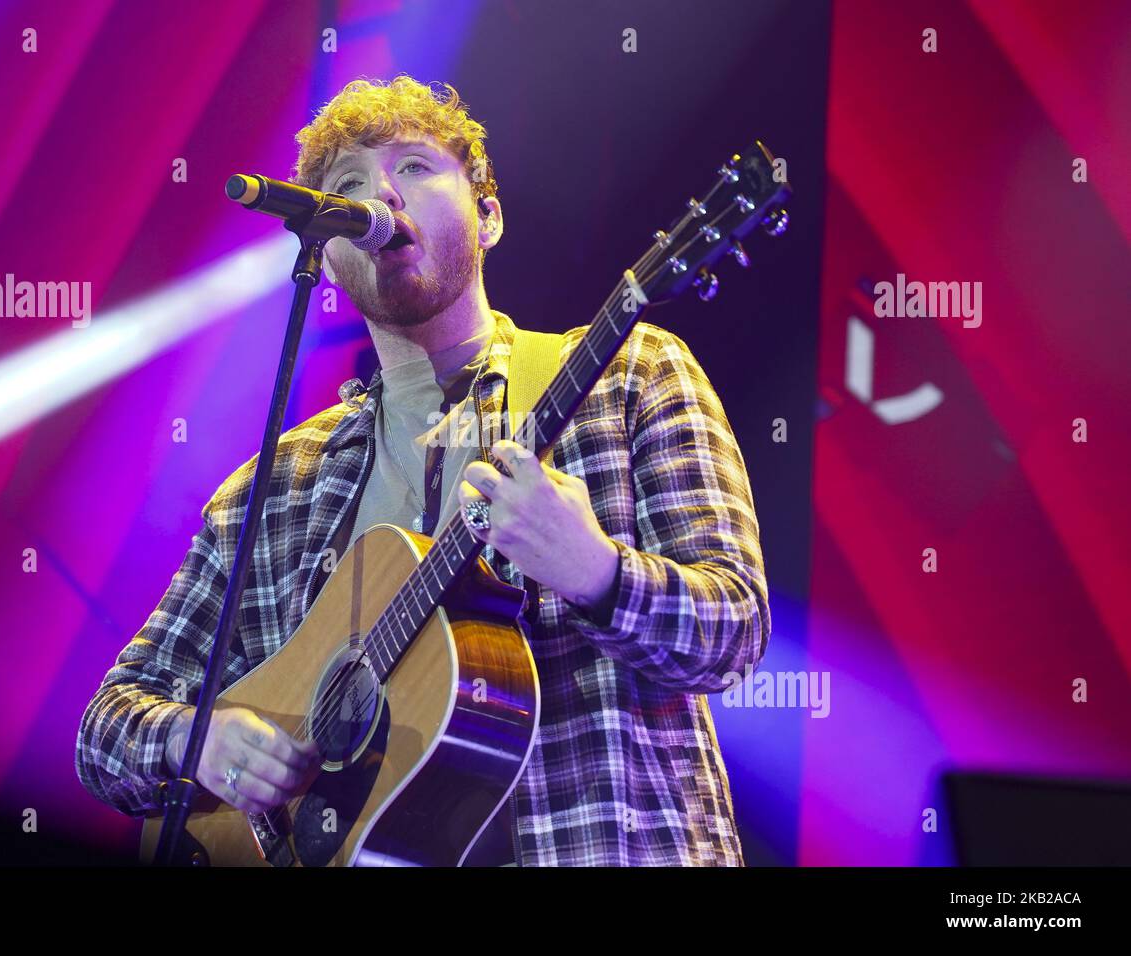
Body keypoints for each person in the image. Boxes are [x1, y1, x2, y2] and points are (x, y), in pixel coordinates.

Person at [76, 74, 771, 866]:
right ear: (329, 252)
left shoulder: (630, 376)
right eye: (347, 186)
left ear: (489, 214)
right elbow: (106, 727)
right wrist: (200, 741)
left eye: (413, 168)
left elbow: (735, 633)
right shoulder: (269, 491)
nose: (381, 194)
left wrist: (598, 574)